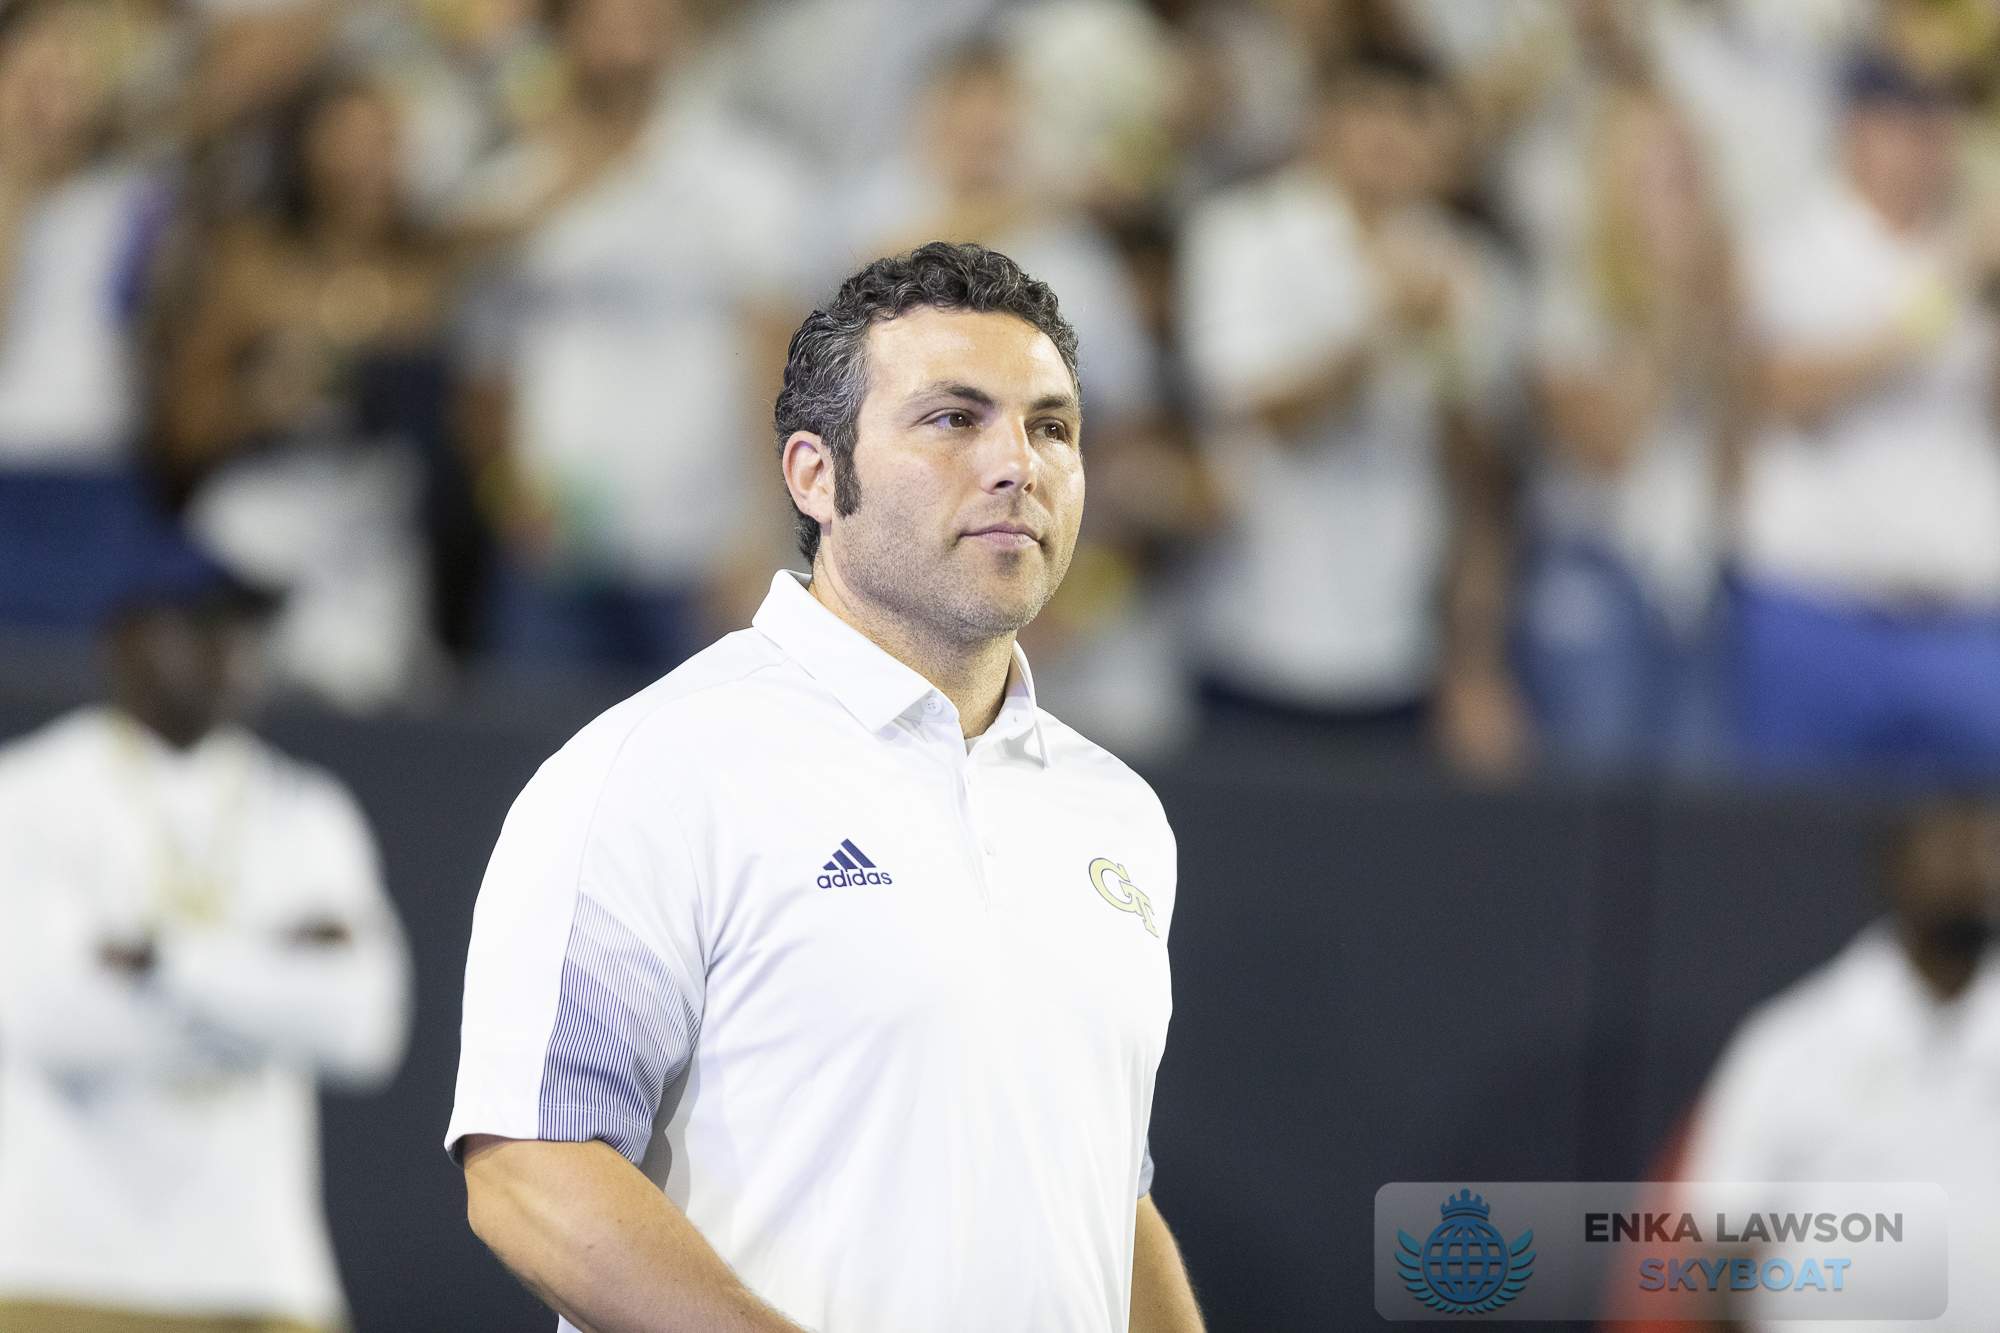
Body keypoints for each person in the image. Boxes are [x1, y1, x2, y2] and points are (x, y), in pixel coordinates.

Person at [447, 242, 1204, 1333]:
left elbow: (1102, 1193)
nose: (1017, 463)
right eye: (953, 418)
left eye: (1051, 427)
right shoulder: (659, 766)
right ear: (813, 475)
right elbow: (529, 1168)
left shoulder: (1117, 812)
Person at [0, 540, 412, 1332]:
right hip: (59, 1270)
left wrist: (161, 965)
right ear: (124, 640)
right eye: (201, 624)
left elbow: (364, 1027)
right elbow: (48, 1018)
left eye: (249, 627)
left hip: (262, 1282)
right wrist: (274, 976)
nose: (233, 649)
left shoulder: (309, 812)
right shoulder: (28, 795)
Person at [1178, 48, 1528, 775]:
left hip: (1396, 645)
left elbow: (1478, 474)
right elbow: (1268, 417)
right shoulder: (1244, 236)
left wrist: (1472, 659)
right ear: (1322, 124)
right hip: (1256, 632)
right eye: (1368, 111)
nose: (1388, 136)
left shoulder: (1466, 262)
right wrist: (1383, 332)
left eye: (1410, 117)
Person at [456, 0, 809, 677]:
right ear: (565, 36)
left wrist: (766, 533)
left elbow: (783, 363)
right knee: (539, 746)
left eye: (646, 23)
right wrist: (508, 495)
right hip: (554, 555)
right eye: (607, 23)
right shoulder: (509, 188)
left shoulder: (746, 181)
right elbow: (483, 374)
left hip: (703, 553)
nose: (628, 47)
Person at [157, 70, 459, 711]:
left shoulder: (432, 265)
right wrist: (264, 403)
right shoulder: (249, 263)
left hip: (374, 558)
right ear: (305, 150)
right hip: (256, 550)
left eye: (387, 140)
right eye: (352, 140)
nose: (374, 162)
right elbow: (182, 427)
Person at [1733, 54, 2000, 779]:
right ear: (1856, 130)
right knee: (1790, 833)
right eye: (1905, 122)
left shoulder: (1972, 247)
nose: (1927, 142)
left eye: (1939, 121)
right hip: (1817, 609)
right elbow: (1789, 395)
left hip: (1961, 615)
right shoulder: (1794, 245)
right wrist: (1942, 297)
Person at [1680, 793, 2000, 1331]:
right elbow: (1722, 1239)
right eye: (1948, 847)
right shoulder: (1793, 1043)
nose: (1970, 870)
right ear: (1893, 870)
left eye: (1987, 849)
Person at [1515, 76, 1738, 768]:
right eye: (1662, 174)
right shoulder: (1564, 293)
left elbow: (1736, 458)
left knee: (1701, 798)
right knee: (1591, 794)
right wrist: (1671, 308)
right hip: (1594, 571)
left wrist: (1720, 331)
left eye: (1690, 174)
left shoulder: (1722, 296)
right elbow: (1610, 447)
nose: (1682, 197)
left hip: (1694, 576)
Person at [0, 0, 175, 635]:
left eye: (73, 83)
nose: (52, 105)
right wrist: (15, 184)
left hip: (90, 478)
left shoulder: (134, 194)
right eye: (36, 79)